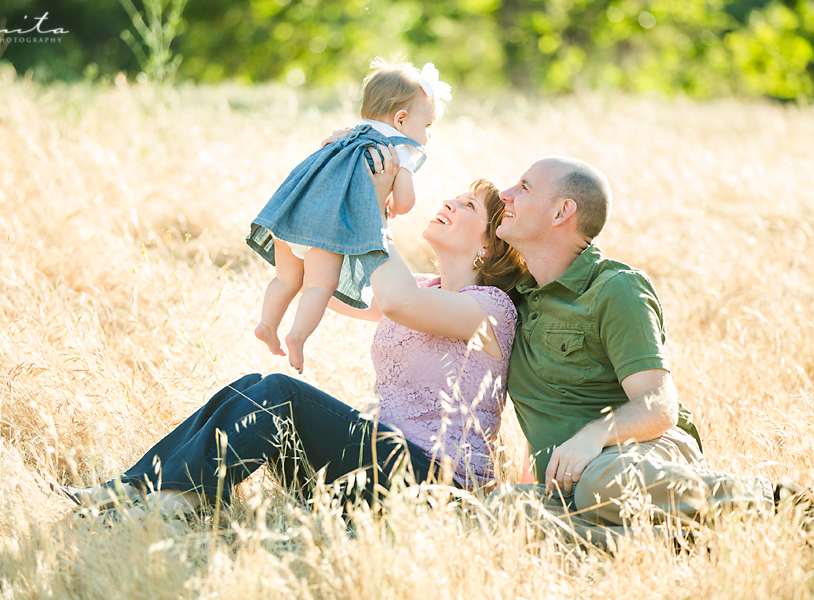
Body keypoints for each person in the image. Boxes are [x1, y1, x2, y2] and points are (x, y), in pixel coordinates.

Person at [57, 173, 524, 520]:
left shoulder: (491, 310)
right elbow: (327, 289)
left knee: (283, 393)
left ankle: (179, 500)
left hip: (437, 488)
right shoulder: (426, 286)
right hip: (374, 472)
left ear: (489, 245)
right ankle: (136, 488)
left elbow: (399, 302)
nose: (449, 201)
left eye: (467, 205)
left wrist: (371, 221)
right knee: (250, 388)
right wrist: (331, 187)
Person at [491, 156, 809, 532]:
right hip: (570, 486)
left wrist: (594, 436)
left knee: (599, 482)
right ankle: (674, 541)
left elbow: (659, 406)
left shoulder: (615, 288)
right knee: (493, 511)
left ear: (562, 211)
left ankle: (782, 504)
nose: (505, 195)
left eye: (524, 188)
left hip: (637, 455)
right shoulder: (511, 300)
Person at [247, 58, 452, 375]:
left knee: (286, 279)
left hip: (292, 215)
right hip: (326, 230)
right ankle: (297, 336)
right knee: (318, 287)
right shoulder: (400, 148)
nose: (427, 136)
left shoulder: (346, 133)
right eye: (427, 126)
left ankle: (266, 324)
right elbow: (406, 201)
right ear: (401, 119)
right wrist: (393, 207)